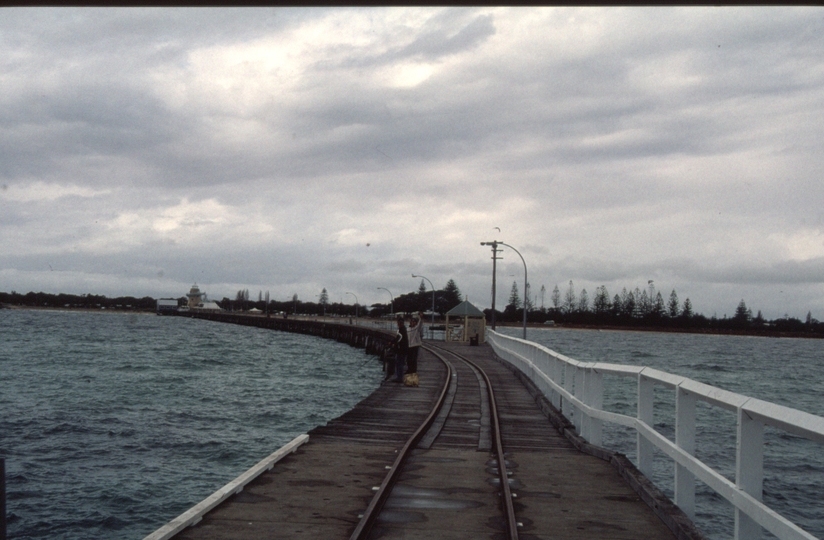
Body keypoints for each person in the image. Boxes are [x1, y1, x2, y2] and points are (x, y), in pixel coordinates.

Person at [391, 315, 409, 382]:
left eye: (398, 323)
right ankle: (399, 377)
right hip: (401, 349)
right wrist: (393, 342)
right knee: (399, 363)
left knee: (400, 363)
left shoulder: (402, 330)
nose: (397, 324)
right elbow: (398, 338)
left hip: (402, 350)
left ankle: (399, 378)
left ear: (400, 323)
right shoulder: (402, 329)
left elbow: (399, 339)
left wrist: (393, 343)